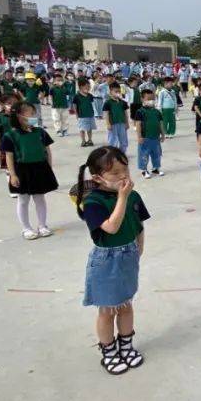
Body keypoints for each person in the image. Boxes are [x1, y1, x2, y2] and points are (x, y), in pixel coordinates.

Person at [77, 147, 149, 375]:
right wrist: (122, 197)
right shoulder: (93, 201)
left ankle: (126, 345)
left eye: (125, 169)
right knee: (108, 310)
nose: (123, 176)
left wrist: (139, 248)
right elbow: (111, 227)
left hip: (128, 254)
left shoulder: (134, 196)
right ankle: (108, 350)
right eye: (115, 173)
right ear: (98, 178)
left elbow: (138, 224)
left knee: (126, 305)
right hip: (106, 259)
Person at [1, 101, 58, 240]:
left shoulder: (40, 132)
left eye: (34, 113)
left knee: (40, 198)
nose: (34, 116)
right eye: (30, 113)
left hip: (40, 167)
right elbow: (9, 156)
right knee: (23, 200)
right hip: (22, 170)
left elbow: (47, 151)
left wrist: (49, 168)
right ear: (19, 116)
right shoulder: (10, 135)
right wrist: (12, 175)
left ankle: (42, 225)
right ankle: (26, 228)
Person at [133, 88, 165, 179]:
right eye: (148, 99)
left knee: (157, 154)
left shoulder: (157, 112)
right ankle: (144, 170)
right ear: (142, 99)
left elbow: (160, 123)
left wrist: (162, 134)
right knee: (144, 154)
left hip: (155, 137)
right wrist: (139, 136)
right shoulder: (140, 112)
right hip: (145, 137)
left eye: (152, 99)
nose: (151, 101)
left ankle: (156, 168)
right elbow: (138, 124)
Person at [103, 84, 130, 153]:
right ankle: (112, 154)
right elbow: (106, 114)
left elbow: (125, 113)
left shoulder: (123, 103)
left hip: (122, 123)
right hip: (113, 124)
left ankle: (122, 153)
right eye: (116, 91)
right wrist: (108, 124)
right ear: (111, 92)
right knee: (112, 140)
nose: (118, 93)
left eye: (119, 91)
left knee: (123, 140)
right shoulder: (108, 103)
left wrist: (127, 123)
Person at [73, 78, 97, 147]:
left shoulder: (90, 96)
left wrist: (94, 113)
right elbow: (75, 106)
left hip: (90, 115)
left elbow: (92, 105)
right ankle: (83, 141)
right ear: (81, 86)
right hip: (81, 115)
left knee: (89, 128)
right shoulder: (77, 96)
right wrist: (76, 114)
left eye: (89, 86)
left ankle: (90, 140)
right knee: (82, 129)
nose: (88, 87)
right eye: (86, 86)